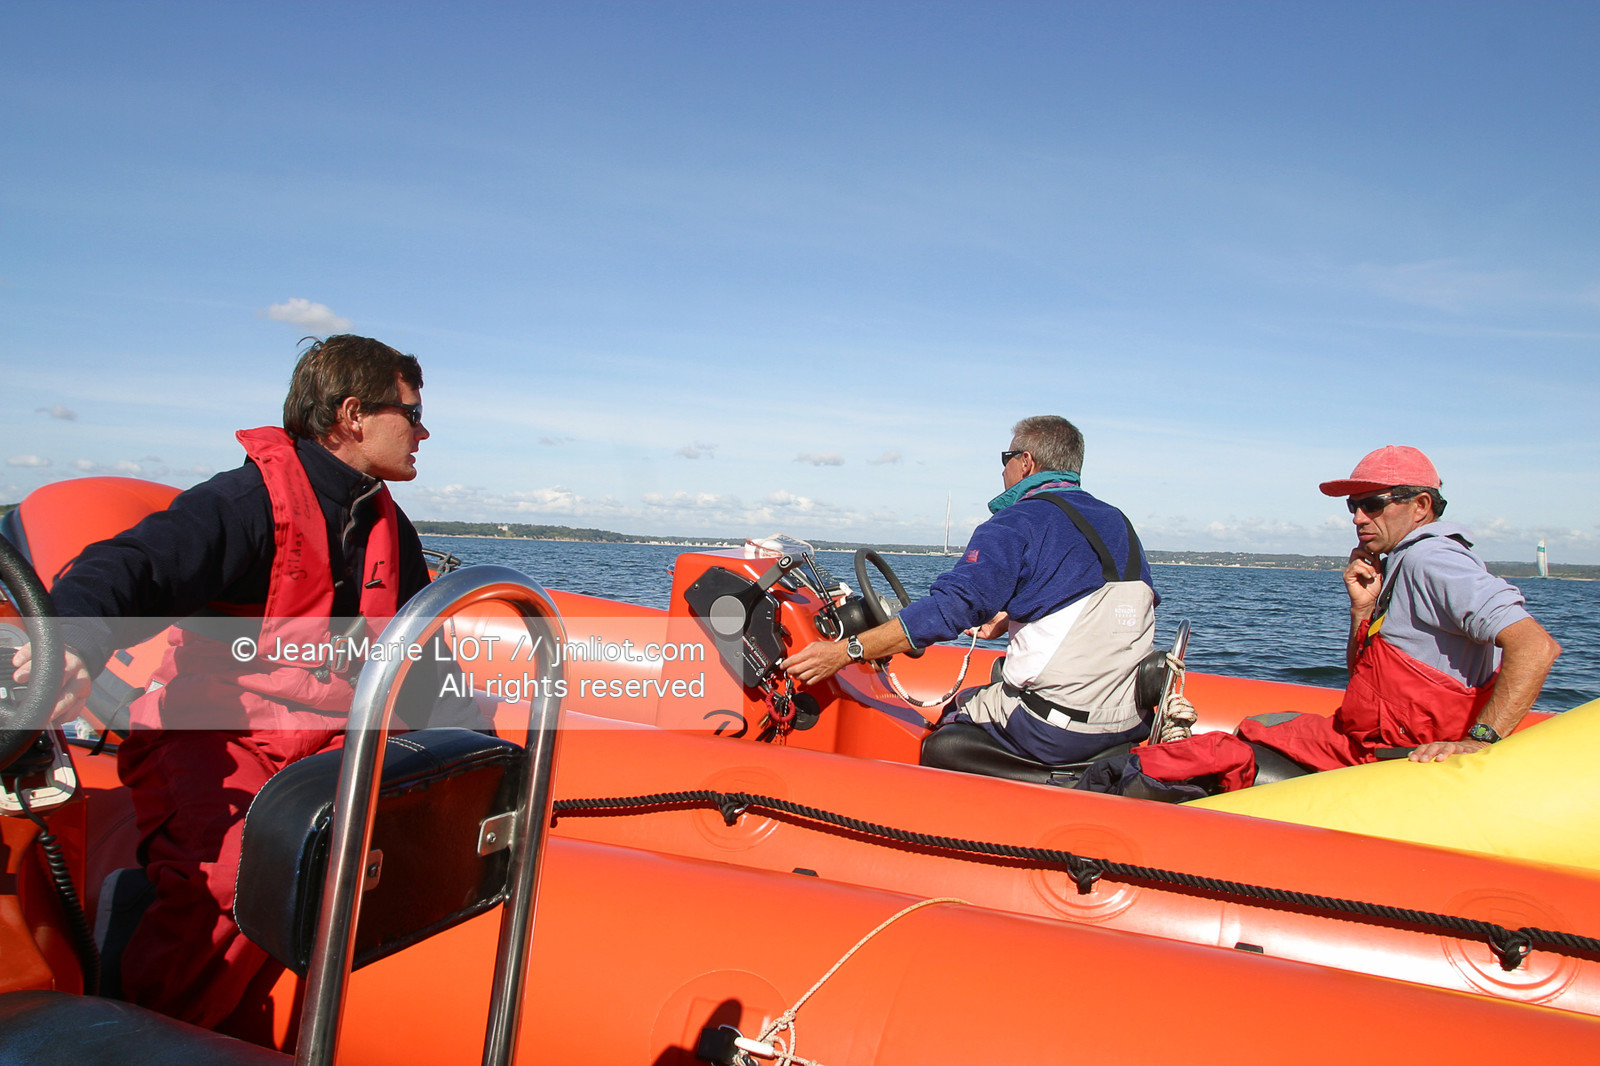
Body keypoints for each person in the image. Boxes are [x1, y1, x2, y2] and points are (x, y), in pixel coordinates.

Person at [14, 334, 480, 1029]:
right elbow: (131, 567)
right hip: (215, 737)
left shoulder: (390, 530)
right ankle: (148, 1028)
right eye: (411, 414)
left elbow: (425, 657)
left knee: (390, 849)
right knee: (234, 874)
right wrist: (72, 644)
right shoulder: (245, 503)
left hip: (326, 746)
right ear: (353, 415)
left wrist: (470, 758)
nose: (423, 431)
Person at [782, 416, 1158, 765]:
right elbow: (1100, 599)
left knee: (949, 723)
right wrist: (1009, 617)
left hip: (1054, 729)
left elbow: (951, 609)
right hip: (1126, 720)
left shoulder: (1016, 521)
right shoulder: (1117, 522)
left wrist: (846, 651)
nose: (1003, 469)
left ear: (1026, 462)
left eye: (1006, 458)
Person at [1240, 445, 1561, 770]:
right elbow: (1364, 683)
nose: (1357, 518)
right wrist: (1363, 610)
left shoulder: (1432, 559)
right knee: (1258, 726)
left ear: (1420, 506)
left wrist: (1481, 741)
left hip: (1392, 757)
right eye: (1353, 506)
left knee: (1231, 749)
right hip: (1365, 740)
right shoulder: (1403, 562)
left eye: (1372, 504)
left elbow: (1536, 646)